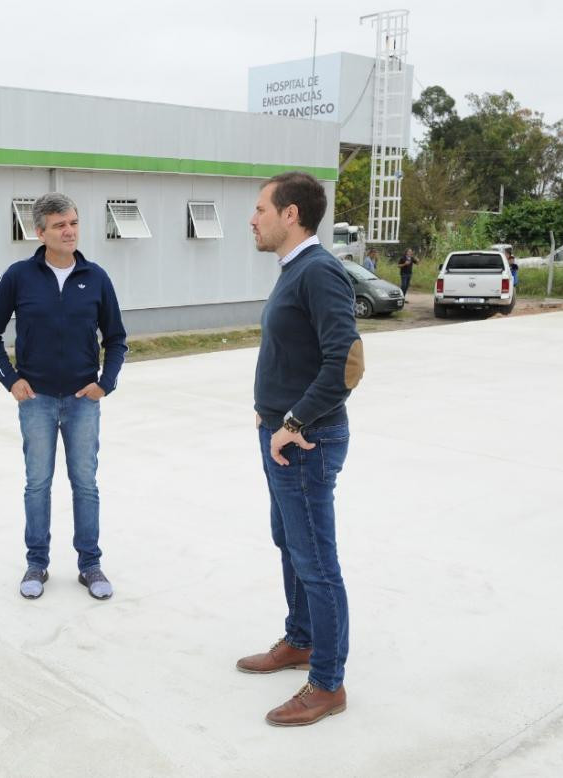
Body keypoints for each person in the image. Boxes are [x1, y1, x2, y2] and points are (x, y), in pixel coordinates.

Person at [237, 171, 364, 727]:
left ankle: (328, 684)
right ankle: (302, 640)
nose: (253, 218)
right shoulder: (295, 270)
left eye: (261, 208)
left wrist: (292, 421)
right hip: (282, 436)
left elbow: (347, 362)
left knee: (316, 562)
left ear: (291, 215)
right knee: (289, 541)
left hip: (306, 440)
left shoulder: (319, 271)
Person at [0, 193, 127, 601]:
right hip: (37, 401)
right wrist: (11, 380)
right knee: (37, 484)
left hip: (83, 401)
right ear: (40, 231)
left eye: (74, 223)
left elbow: (116, 339)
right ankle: (37, 564)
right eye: (60, 225)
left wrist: (105, 383)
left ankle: (90, 565)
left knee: (85, 484)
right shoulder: (18, 276)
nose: (70, 231)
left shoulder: (95, 278)